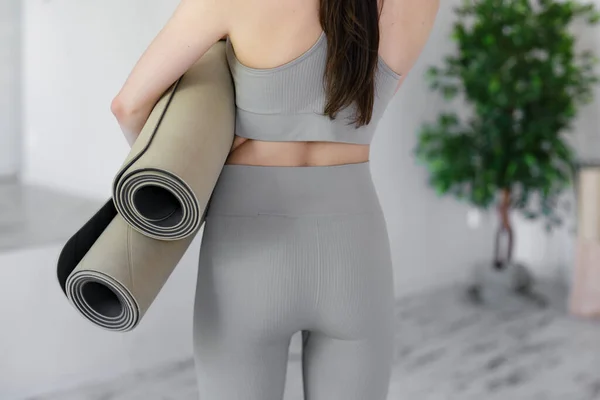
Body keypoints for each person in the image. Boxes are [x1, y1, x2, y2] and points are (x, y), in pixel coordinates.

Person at [111, 0, 440, 398]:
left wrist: (202, 159)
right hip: (355, 253)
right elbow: (358, 105)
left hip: (246, 254)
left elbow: (128, 107)